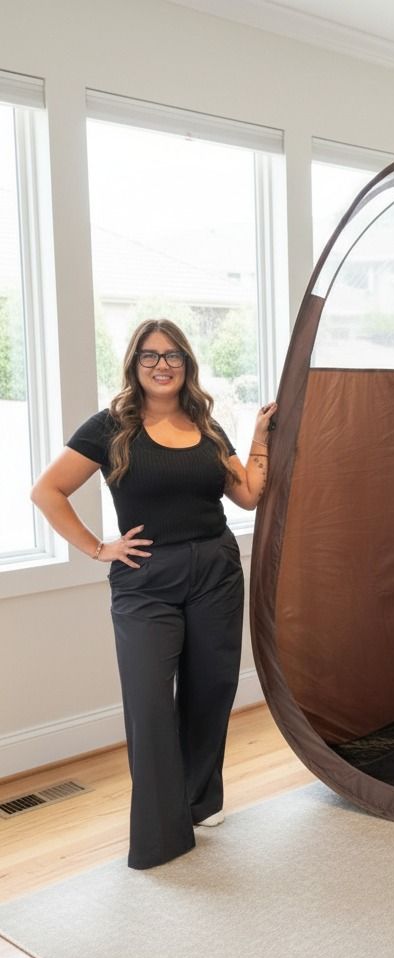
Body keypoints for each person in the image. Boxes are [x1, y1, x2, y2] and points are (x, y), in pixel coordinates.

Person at [30, 318, 277, 870]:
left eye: (172, 356)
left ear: (187, 365)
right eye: (150, 356)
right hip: (145, 582)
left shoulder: (206, 427)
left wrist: (260, 439)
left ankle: (199, 799)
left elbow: (248, 496)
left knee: (210, 691)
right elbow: (47, 490)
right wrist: (98, 548)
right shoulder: (111, 427)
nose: (161, 365)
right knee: (149, 704)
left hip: (215, 570)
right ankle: (162, 836)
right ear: (134, 365)